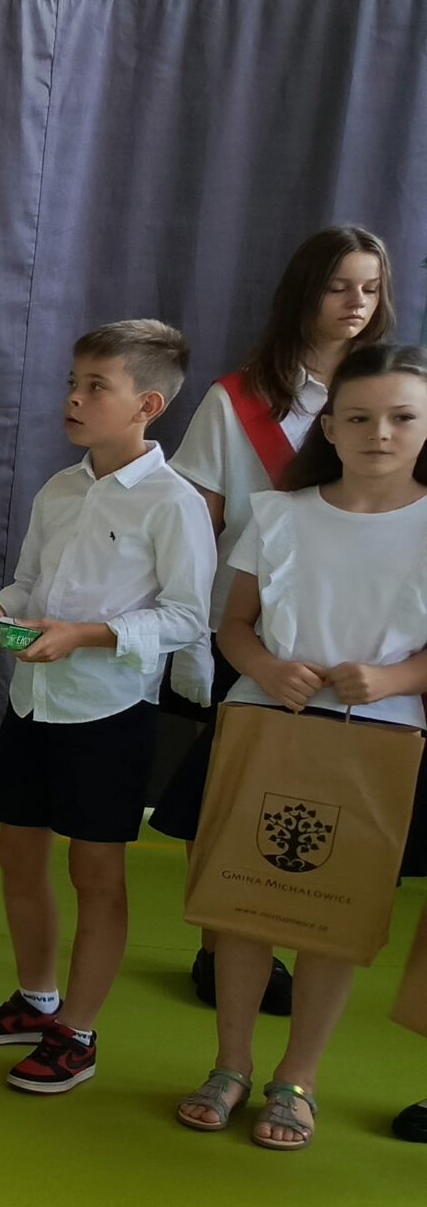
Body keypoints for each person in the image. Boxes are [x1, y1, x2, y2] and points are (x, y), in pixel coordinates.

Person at [162, 346, 427, 1148]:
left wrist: (396, 676)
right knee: (243, 907)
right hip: (265, 725)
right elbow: (235, 625)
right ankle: (230, 1064)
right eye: (360, 417)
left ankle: (297, 1079)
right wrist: (268, 668)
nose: (380, 433)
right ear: (331, 428)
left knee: (330, 919)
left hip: (380, 741)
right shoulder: (280, 514)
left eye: (403, 417)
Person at [0, 322, 214, 1092]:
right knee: (16, 853)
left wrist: (85, 636)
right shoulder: (59, 488)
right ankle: (36, 1001)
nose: (73, 397)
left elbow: (187, 617)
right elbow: (30, 582)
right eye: (73, 381)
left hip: (109, 712)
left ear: (147, 405)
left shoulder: (174, 502)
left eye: (97, 386)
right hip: (33, 703)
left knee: (97, 873)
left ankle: (79, 1032)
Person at [168, 225, 395, 1015]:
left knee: (330, 803)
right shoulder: (236, 400)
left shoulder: (394, 393)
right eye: (339, 286)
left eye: (371, 288)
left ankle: (307, 933)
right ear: (304, 291)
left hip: (364, 634)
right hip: (250, 624)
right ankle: (222, 944)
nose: (356, 303)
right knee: (233, 791)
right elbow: (196, 519)